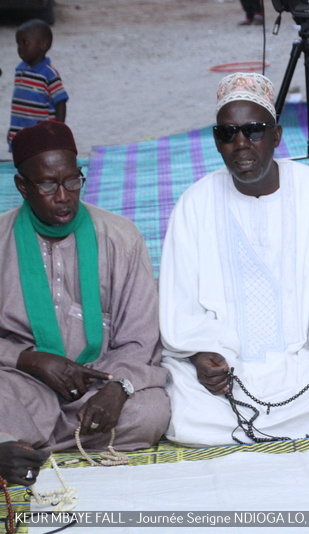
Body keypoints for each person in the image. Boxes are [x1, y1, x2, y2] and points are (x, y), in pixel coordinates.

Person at [160, 73, 309, 446]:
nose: (241, 144)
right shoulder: (194, 204)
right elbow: (179, 298)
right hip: (227, 374)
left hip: (305, 362)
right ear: (216, 140)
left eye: (254, 131)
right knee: (182, 406)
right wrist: (200, 353)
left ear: (276, 135)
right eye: (228, 134)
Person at [0, 122, 169, 486]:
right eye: (47, 184)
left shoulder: (120, 237)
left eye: (72, 181)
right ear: (22, 186)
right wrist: (30, 359)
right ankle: (22, 440)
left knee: (152, 412)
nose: (63, 196)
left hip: (97, 385)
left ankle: (18, 446)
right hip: (21, 383)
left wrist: (117, 388)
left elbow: (141, 339)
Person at [6, 19, 68, 152]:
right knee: (22, 161)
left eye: (24, 42)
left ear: (42, 45)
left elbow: (60, 101)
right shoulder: (20, 69)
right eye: (18, 43)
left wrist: (58, 128)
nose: (20, 47)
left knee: (39, 161)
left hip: (41, 134)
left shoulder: (49, 73)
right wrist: (12, 130)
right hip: (19, 132)